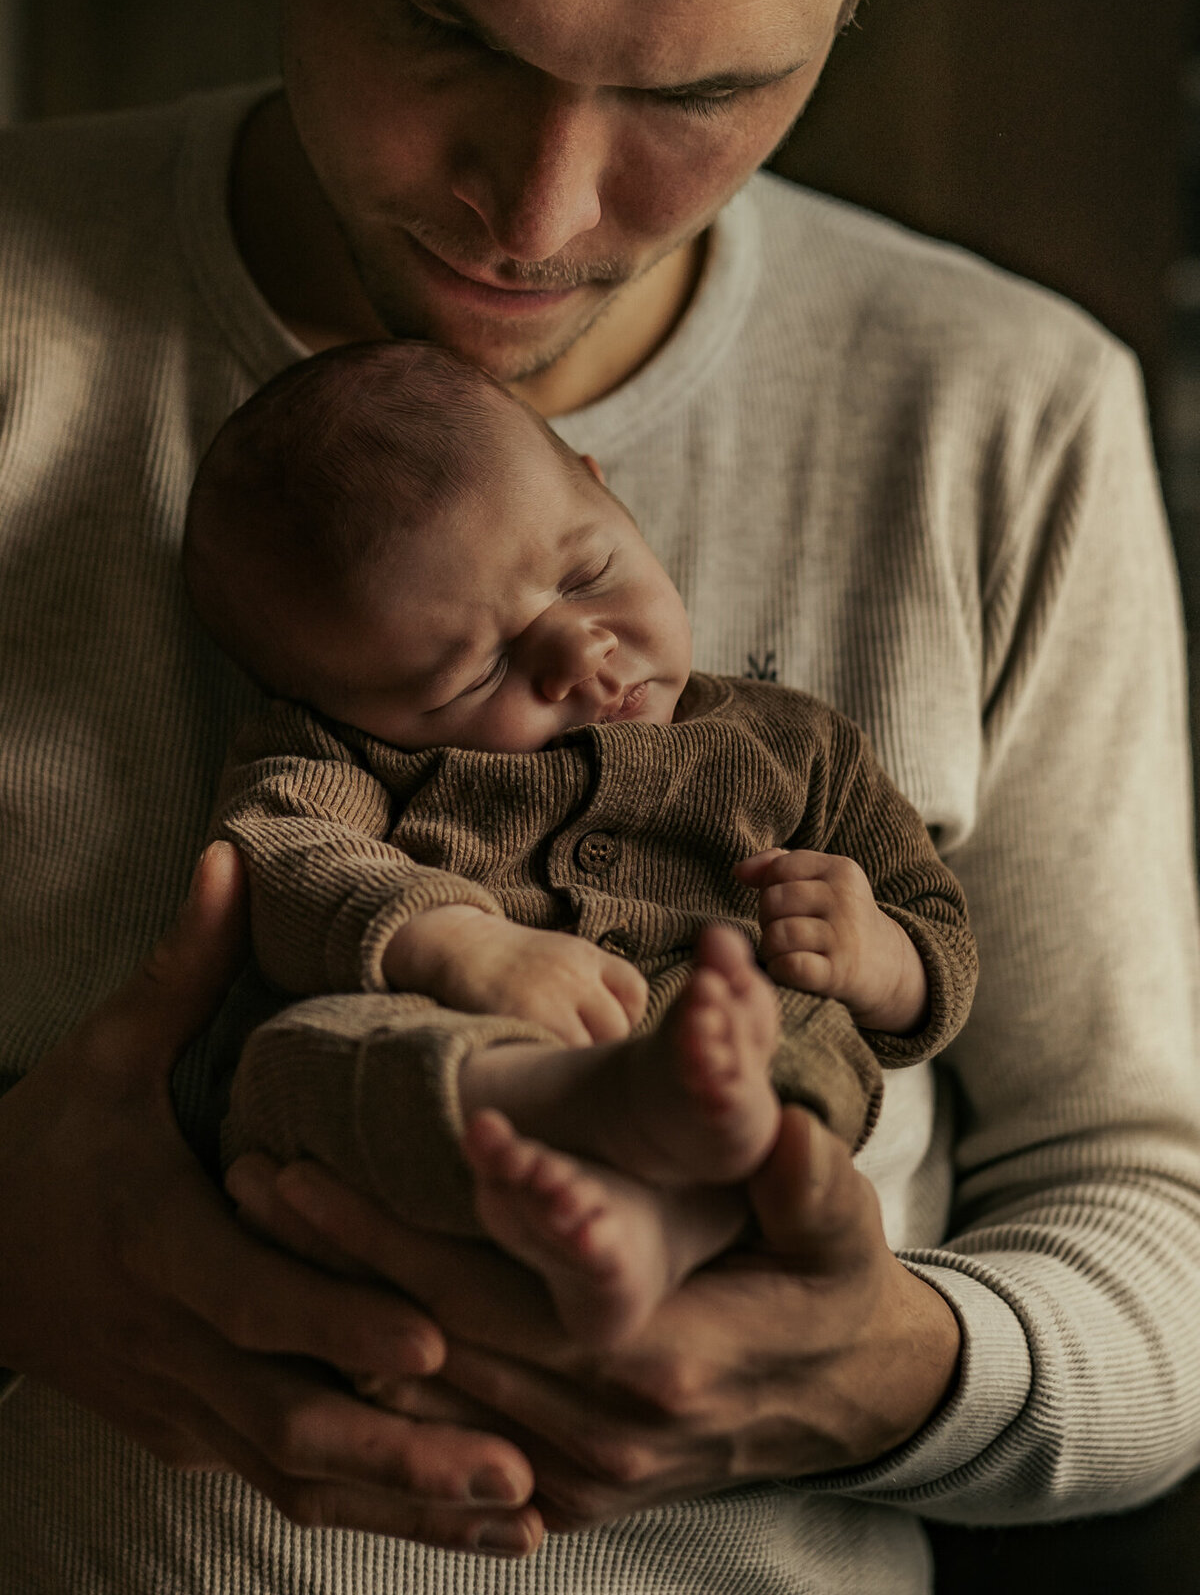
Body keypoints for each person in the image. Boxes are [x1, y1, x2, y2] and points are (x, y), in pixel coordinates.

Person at [0, 0, 1198, 1590]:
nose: (540, 211)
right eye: (448, 24)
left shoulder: (1005, 421)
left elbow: (1157, 1240)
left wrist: (880, 1376)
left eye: (701, 95)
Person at [181, 336, 975, 1347]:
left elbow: (937, 924)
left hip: (719, 1056)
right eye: (472, 675)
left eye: (589, 571)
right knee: (291, 1061)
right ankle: (572, 1122)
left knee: (803, 1030)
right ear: (342, 705)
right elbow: (283, 852)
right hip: (469, 1095)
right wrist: (462, 946)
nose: (577, 653)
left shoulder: (795, 750)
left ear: (607, 492)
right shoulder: (349, 755)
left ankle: (669, 1221)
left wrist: (882, 956)